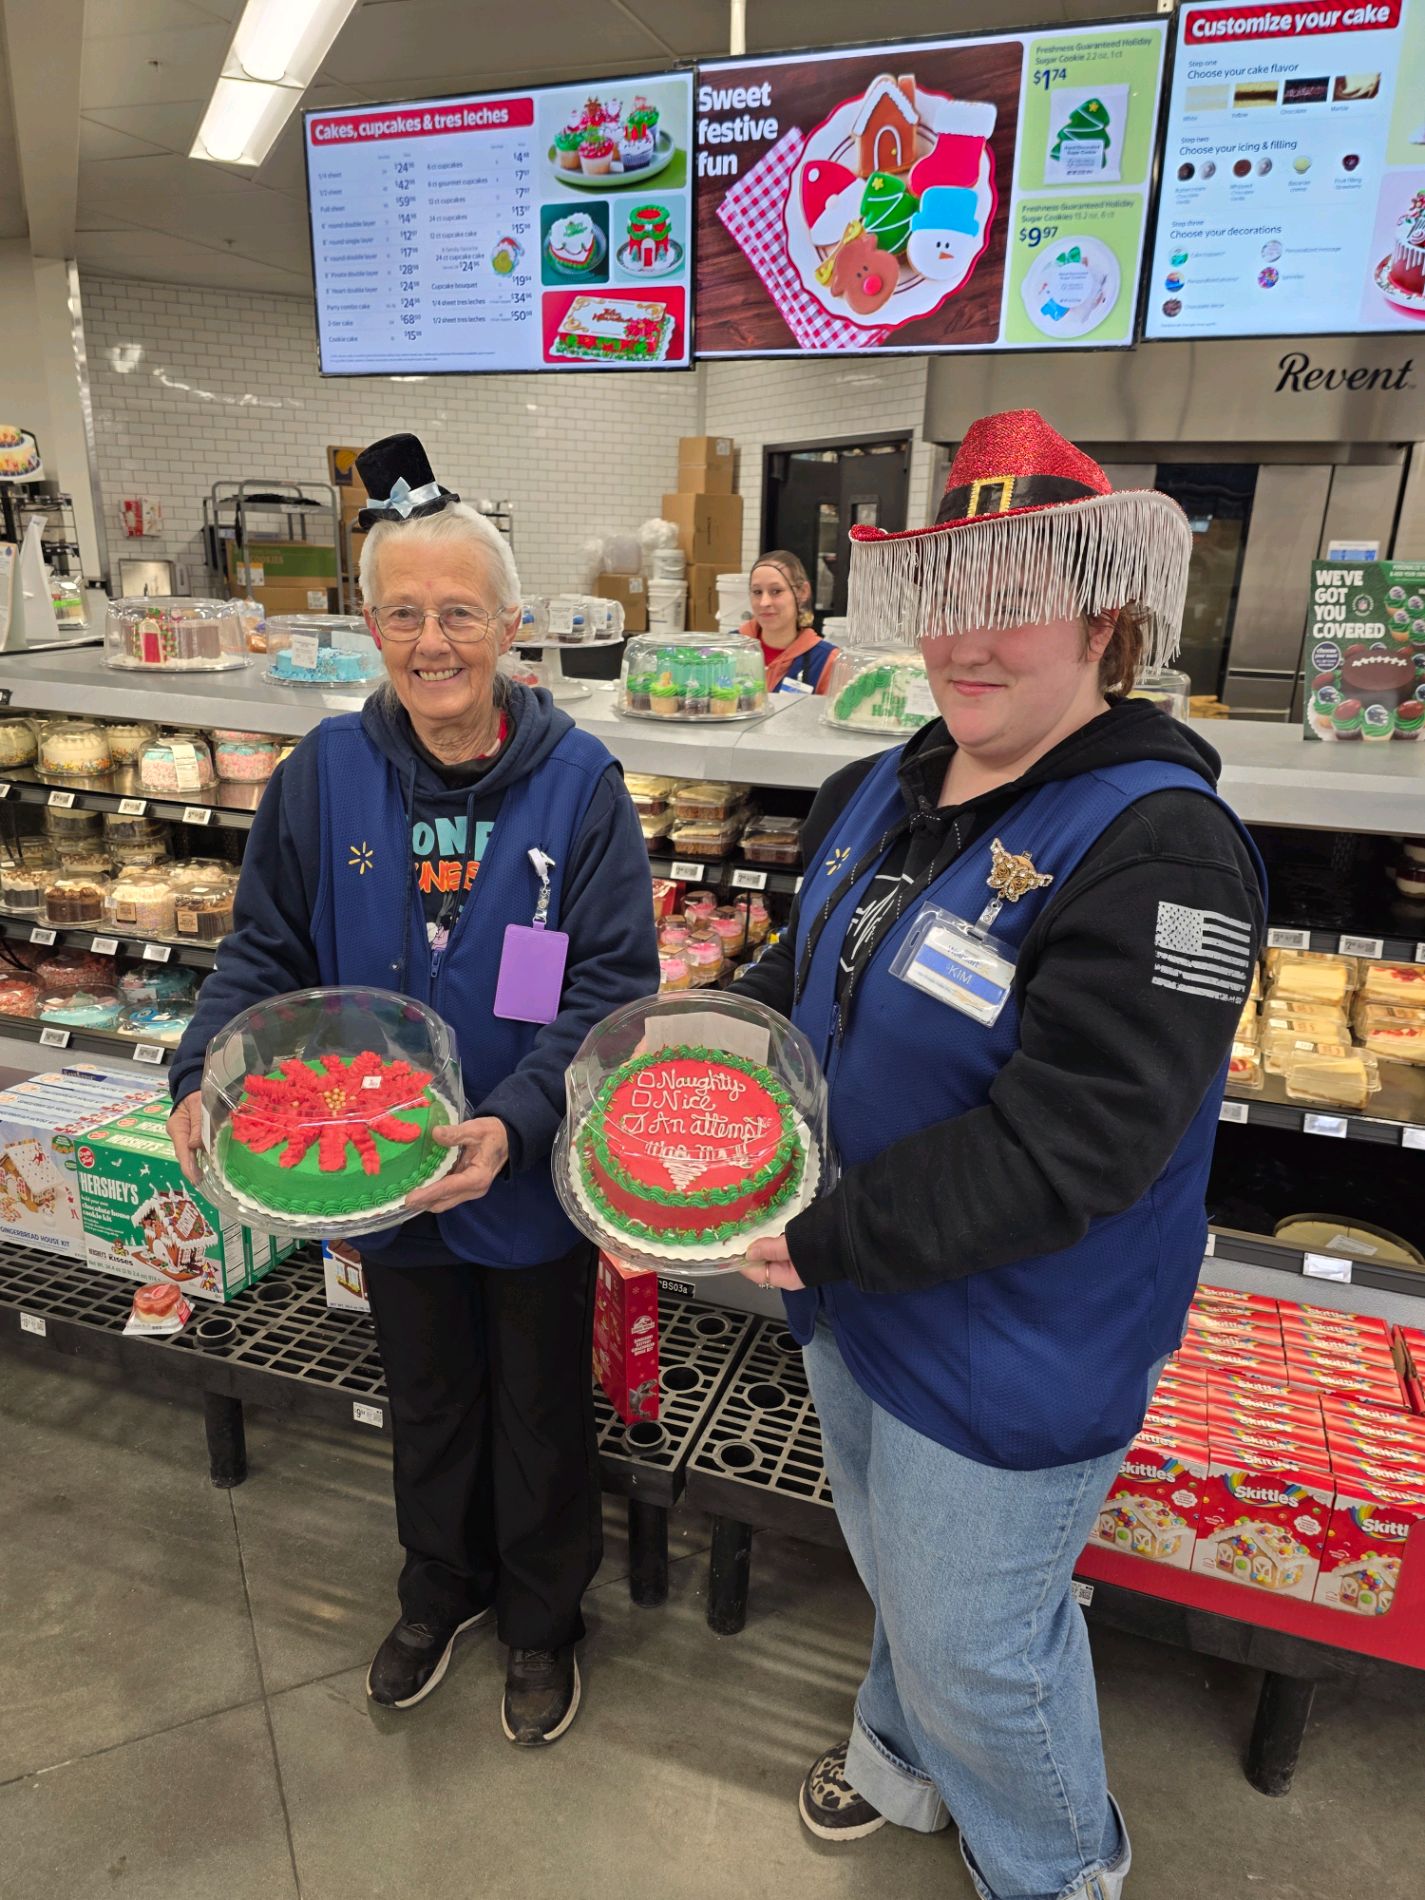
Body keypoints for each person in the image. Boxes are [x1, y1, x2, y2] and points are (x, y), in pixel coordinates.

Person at [734, 411, 1265, 1900]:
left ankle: (1058, 1868)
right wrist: (685, 1059)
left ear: (1106, 619)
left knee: (983, 1641)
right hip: (857, 1295)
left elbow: (1074, 1149)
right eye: (948, 598)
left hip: (1018, 1339)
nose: (966, 643)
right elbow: (803, 978)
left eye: (1010, 600)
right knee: (901, 1572)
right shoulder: (888, 785)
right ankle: (903, 1767)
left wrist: (825, 1232)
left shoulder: (1158, 844)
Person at [168, 433, 657, 1745]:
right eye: (402, 613)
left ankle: (545, 1620)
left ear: (508, 626)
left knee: (542, 1409)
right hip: (373, 1166)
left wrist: (517, 1121)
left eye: (457, 613)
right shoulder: (323, 776)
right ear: (369, 624)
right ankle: (438, 1589)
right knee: (427, 1395)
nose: (429, 640)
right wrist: (198, 1075)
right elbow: (263, 953)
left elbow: (607, 994)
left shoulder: (582, 791)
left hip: (523, 1172)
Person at [742, 550, 840, 693]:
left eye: (776, 591)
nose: (764, 602)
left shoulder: (826, 661)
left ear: (802, 592)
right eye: (757, 592)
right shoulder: (730, 650)